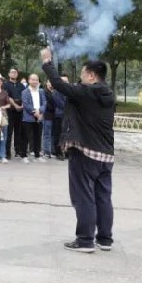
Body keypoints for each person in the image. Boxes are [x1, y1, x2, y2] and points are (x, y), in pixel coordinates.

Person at [41, 48, 116, 253]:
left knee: (83, 196)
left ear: (91, 76)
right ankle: (105, 239)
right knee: (103, 197)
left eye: (83, 74)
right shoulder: (108, 94)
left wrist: (47, 62)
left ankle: (85, 240)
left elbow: (59, 85)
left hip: (85, 152)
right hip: (106, 155)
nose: (80, 79)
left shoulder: (87, 91)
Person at [22, 73, 48, 162]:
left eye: (36, 79)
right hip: (28, 117)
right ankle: (24, 156)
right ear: (29, 80)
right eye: (33, 79)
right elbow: (26, 104)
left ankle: (37, 155)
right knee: (26, 137)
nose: (35, 81)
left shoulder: (41, 91)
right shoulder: (25, 92)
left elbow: (44, 102)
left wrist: (40, 111)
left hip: (39, 116)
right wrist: (35, 112)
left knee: (38, 136)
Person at [4, 68, 26, 160]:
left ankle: (18, 151)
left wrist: (22, 105)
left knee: (18, 132)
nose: (14, 73)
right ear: (9, 74)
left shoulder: (21, 85)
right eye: (12, 72)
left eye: (15, 72)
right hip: (10, 111)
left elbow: (25, 95)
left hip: (20, 111)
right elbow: (7, 96)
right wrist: (15, 105)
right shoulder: (5, 84)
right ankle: (7, 152)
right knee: (9, 132)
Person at [50, 79, 67, 160]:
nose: (65, 82)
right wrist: (69, 107)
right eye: (63, 81)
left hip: (68, 116)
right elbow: (60, 103)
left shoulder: (68, 91)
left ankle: (66, 152)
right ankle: (58, 152)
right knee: (58, 135)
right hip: (59, 116)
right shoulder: (56, 92)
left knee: (66, 135)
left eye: (66, 81)